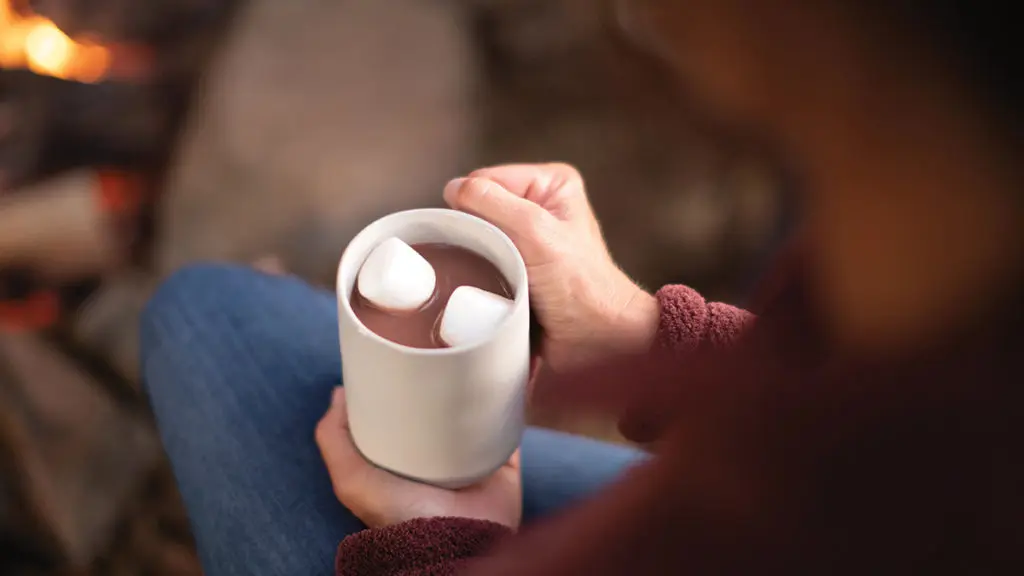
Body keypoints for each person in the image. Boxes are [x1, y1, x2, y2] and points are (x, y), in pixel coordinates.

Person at [140, 0, 1023, 574]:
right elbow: (840, 432)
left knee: (201, 318)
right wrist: (640, 331)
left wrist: (436, 540)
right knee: (213, 312)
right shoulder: (938, 259)